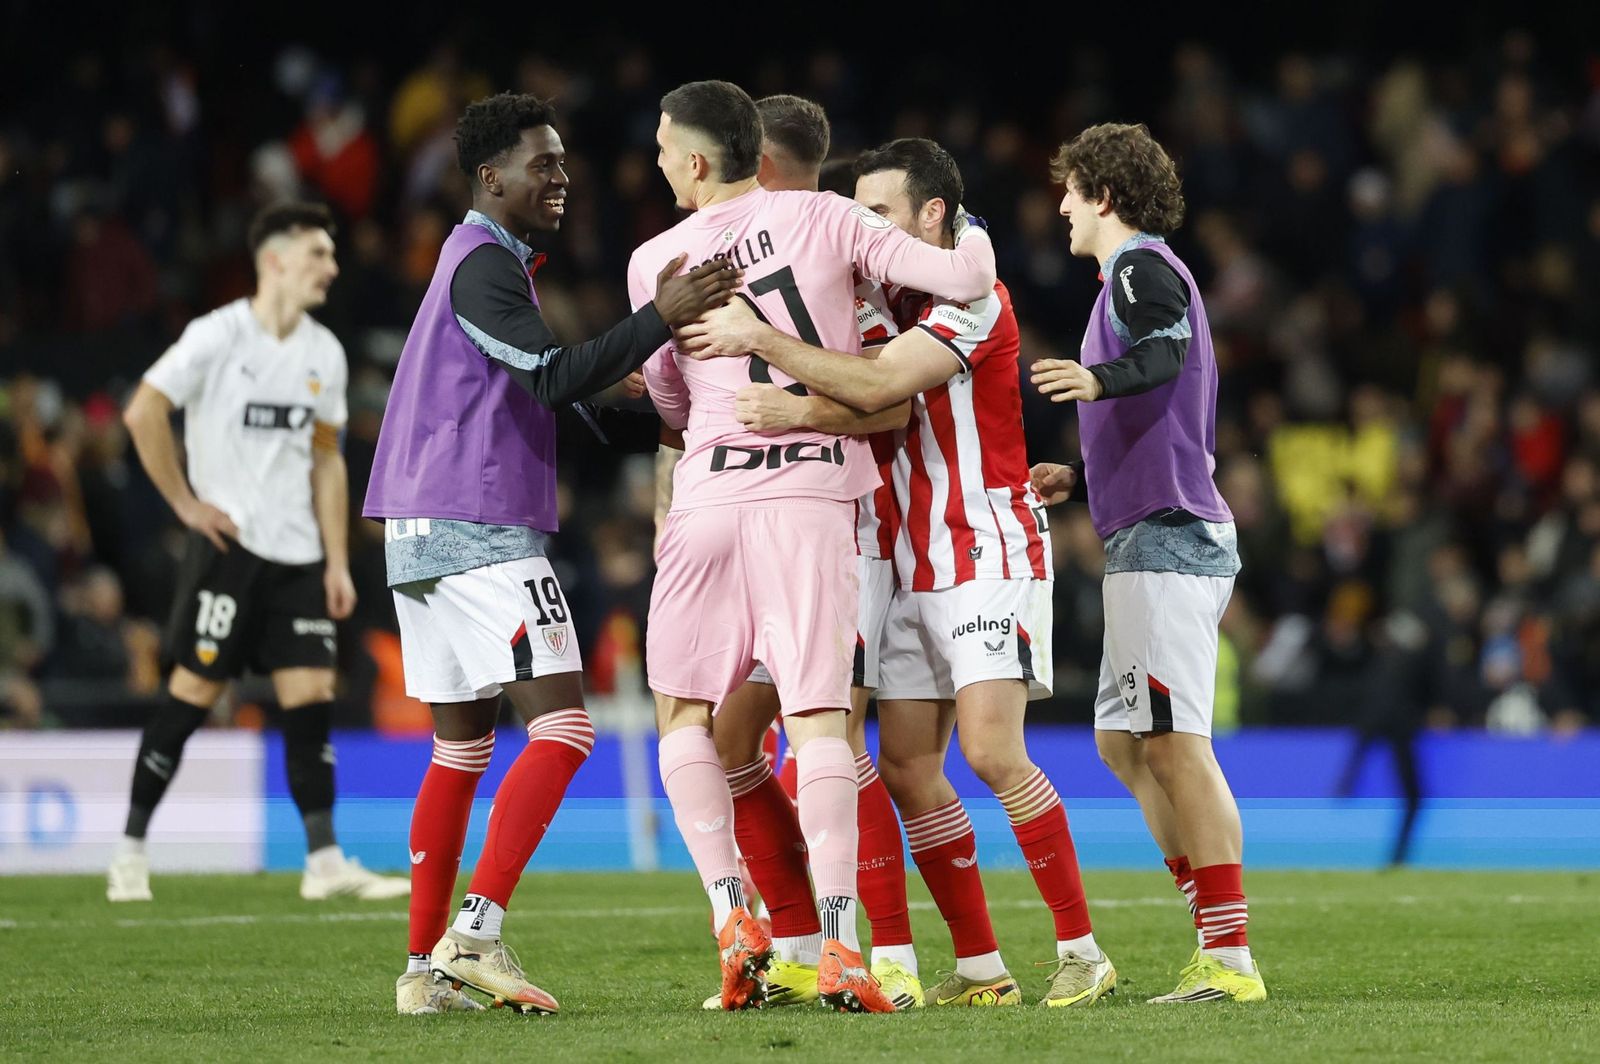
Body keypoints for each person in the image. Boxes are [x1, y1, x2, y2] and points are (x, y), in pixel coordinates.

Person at [680, 137, 1114, 1009]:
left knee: (992, 752)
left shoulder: (976, 297)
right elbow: (863, 382)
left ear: (931, 217)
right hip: (905, 557)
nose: (860, 227)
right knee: (909, 766)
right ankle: (983, 968)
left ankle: (1082, 949)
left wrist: (781, 374)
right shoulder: (876, 293)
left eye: (876, 213)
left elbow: (888, 389)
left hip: (986, 547)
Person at [362, 92, 740, 1017]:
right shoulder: (482, 265)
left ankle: (422, 973)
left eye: (565, 162)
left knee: (460, 750)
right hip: (475, 521)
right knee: (565, 729)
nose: (561, 177)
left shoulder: (485, 268)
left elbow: (562, 389)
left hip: (420, 532)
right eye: (544, 163)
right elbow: (551, 372)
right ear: (491, 177)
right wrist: (665, 312)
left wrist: (668, 411)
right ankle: (475, 935)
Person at [630, 80, 995, 1012]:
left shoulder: (654, 261)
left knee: (684, 716)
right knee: (820, 722)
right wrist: (977, 232)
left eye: (667, 149)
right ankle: (837, 948)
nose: (660, 162)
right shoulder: (830, 219)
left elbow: (668, 401)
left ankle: (732, 918)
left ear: (700, 160)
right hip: (812, 490)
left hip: (708, 491)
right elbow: (963, 281)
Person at [676, 93, 923, 1012]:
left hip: (838, 523)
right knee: (740, 738)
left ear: (761, 169)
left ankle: (877, 949)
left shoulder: (838, 267)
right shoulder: (787, 248)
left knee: (831, 736)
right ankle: (794, 942)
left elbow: (892, 400)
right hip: (762, 510)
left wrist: (802, 408)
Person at [1028, 121, 1266, 1003]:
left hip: (1170, 537)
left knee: (1173, 744)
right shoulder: (1126, 278)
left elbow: (1162, 356)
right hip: (1145, 531)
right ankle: (1214, 931)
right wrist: (1084, 473)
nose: (1060, 204)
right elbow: (1162, 411)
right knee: (1125, 745)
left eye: (1070, 188)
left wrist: (1095, 382)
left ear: (1105, 195)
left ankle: (1229, 957)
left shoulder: (1139, 267)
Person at [108, 202, 405, 906]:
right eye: (317, 256)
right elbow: (142, 410)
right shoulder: (216, 336)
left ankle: (324, 860)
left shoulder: (324, 354)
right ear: (274, 260)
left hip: (299, 558)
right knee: (192, 693)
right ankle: (129, 850)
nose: (331, 268)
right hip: (228, 553)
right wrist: (184, 505)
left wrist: (335, 560)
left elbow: (327, 461)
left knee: (312, 696)